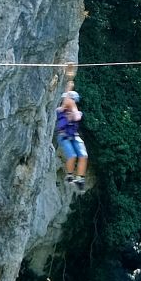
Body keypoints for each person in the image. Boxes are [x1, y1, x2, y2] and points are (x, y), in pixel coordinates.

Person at [55, 64, 88, 192]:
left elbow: (77, 116)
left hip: (73, 136)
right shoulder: (60, 110)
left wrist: (73, 107)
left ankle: (80, 178)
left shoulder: (76, 113)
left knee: (83, 156)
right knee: (72, 155)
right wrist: (69, 83)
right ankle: (69, 175)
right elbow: (67, 101)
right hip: (64, 136)